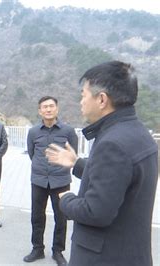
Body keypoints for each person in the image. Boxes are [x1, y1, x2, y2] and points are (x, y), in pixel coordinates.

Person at [45, 61, 158, 266]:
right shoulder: (139, 134)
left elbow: (95, 212)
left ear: (102, 99)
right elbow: (118, 177)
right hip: (130, 253)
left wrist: (66, 199)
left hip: (104, 257)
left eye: (84, 94)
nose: (81, 101)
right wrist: (77, 164)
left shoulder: (112, 143)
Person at [24, 96, 78, 266]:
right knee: (36, 216)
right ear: (40, 111)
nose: (48, 109)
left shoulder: (68, 131)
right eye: (44, 107)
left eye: (51, 106)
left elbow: (72, 155)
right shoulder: (33, 132)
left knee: (61, 217)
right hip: (39, 180)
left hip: (60, 180)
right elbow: (32, 153)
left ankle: (58, 251)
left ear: (57, 109)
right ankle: (37, 248)